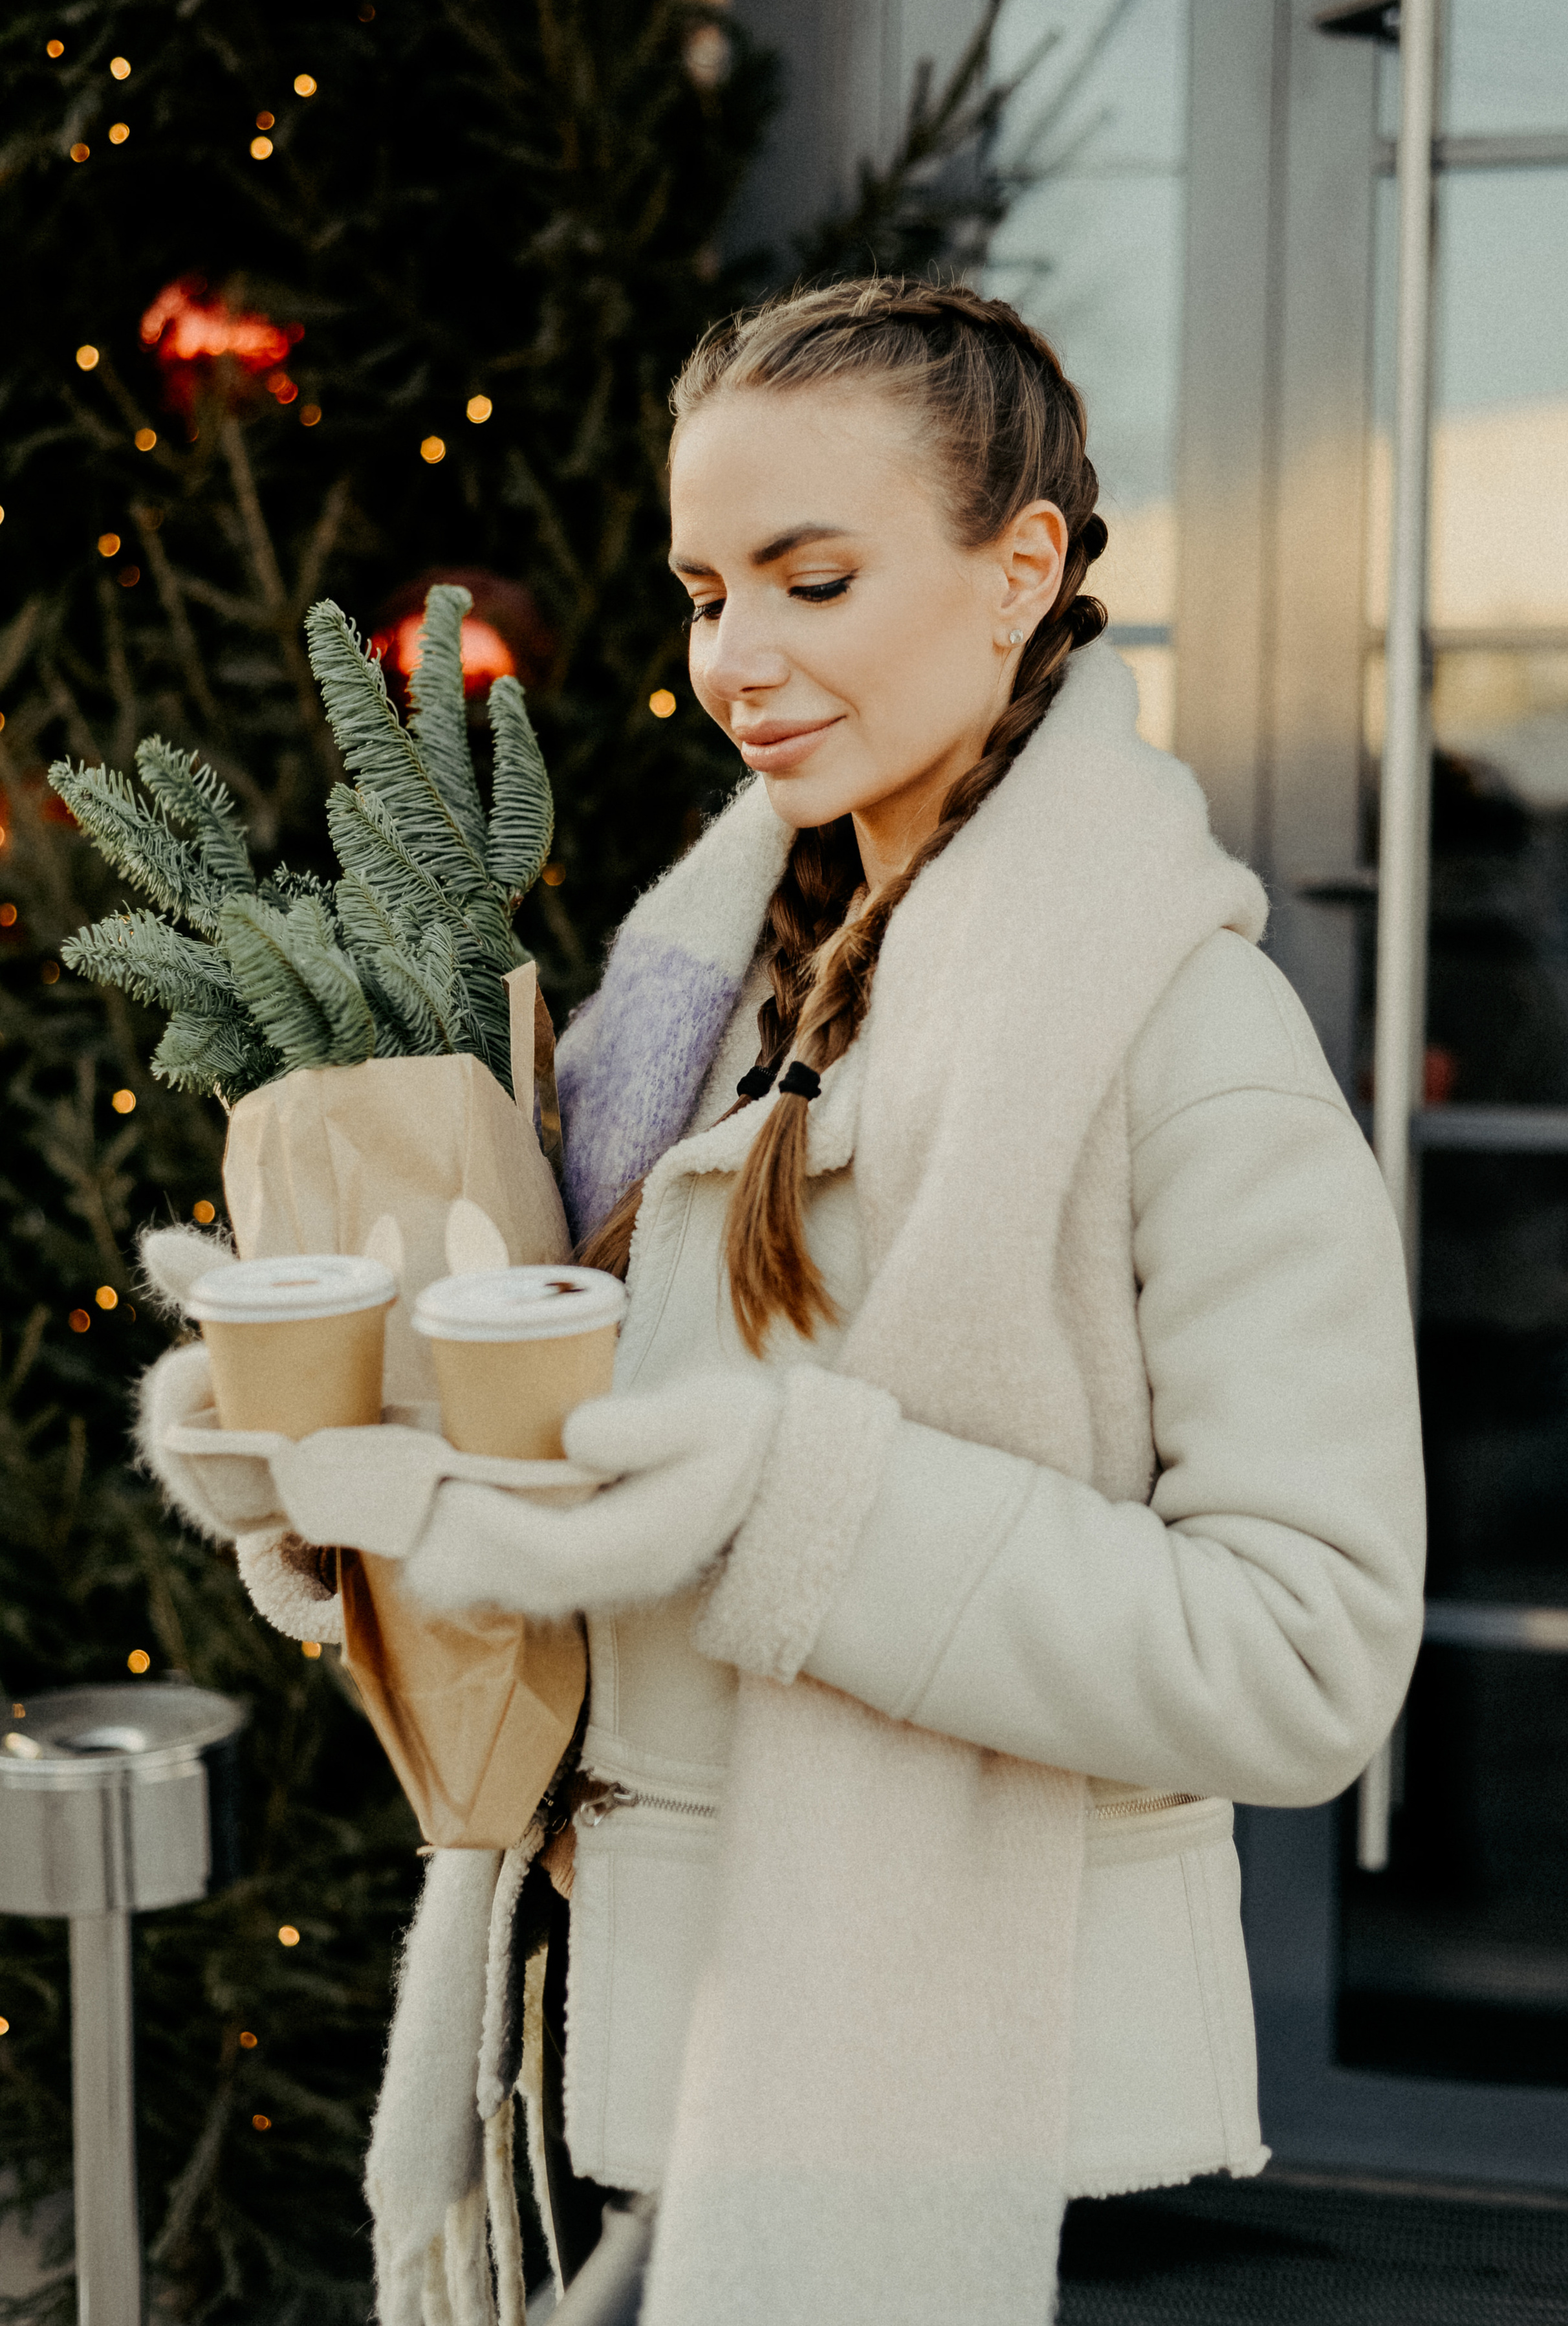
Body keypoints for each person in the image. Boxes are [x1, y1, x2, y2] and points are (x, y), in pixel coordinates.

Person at [159, 278, 1426, 2326]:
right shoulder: (694, 997)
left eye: (811, 580)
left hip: (997, 2145)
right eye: (702, 590)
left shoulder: (1185, 1030)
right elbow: (584, 1518)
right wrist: (342, 1491)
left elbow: (1307, 1655)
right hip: (633, 2078)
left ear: (1024, 569)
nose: (732, 662)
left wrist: (785, 1504)